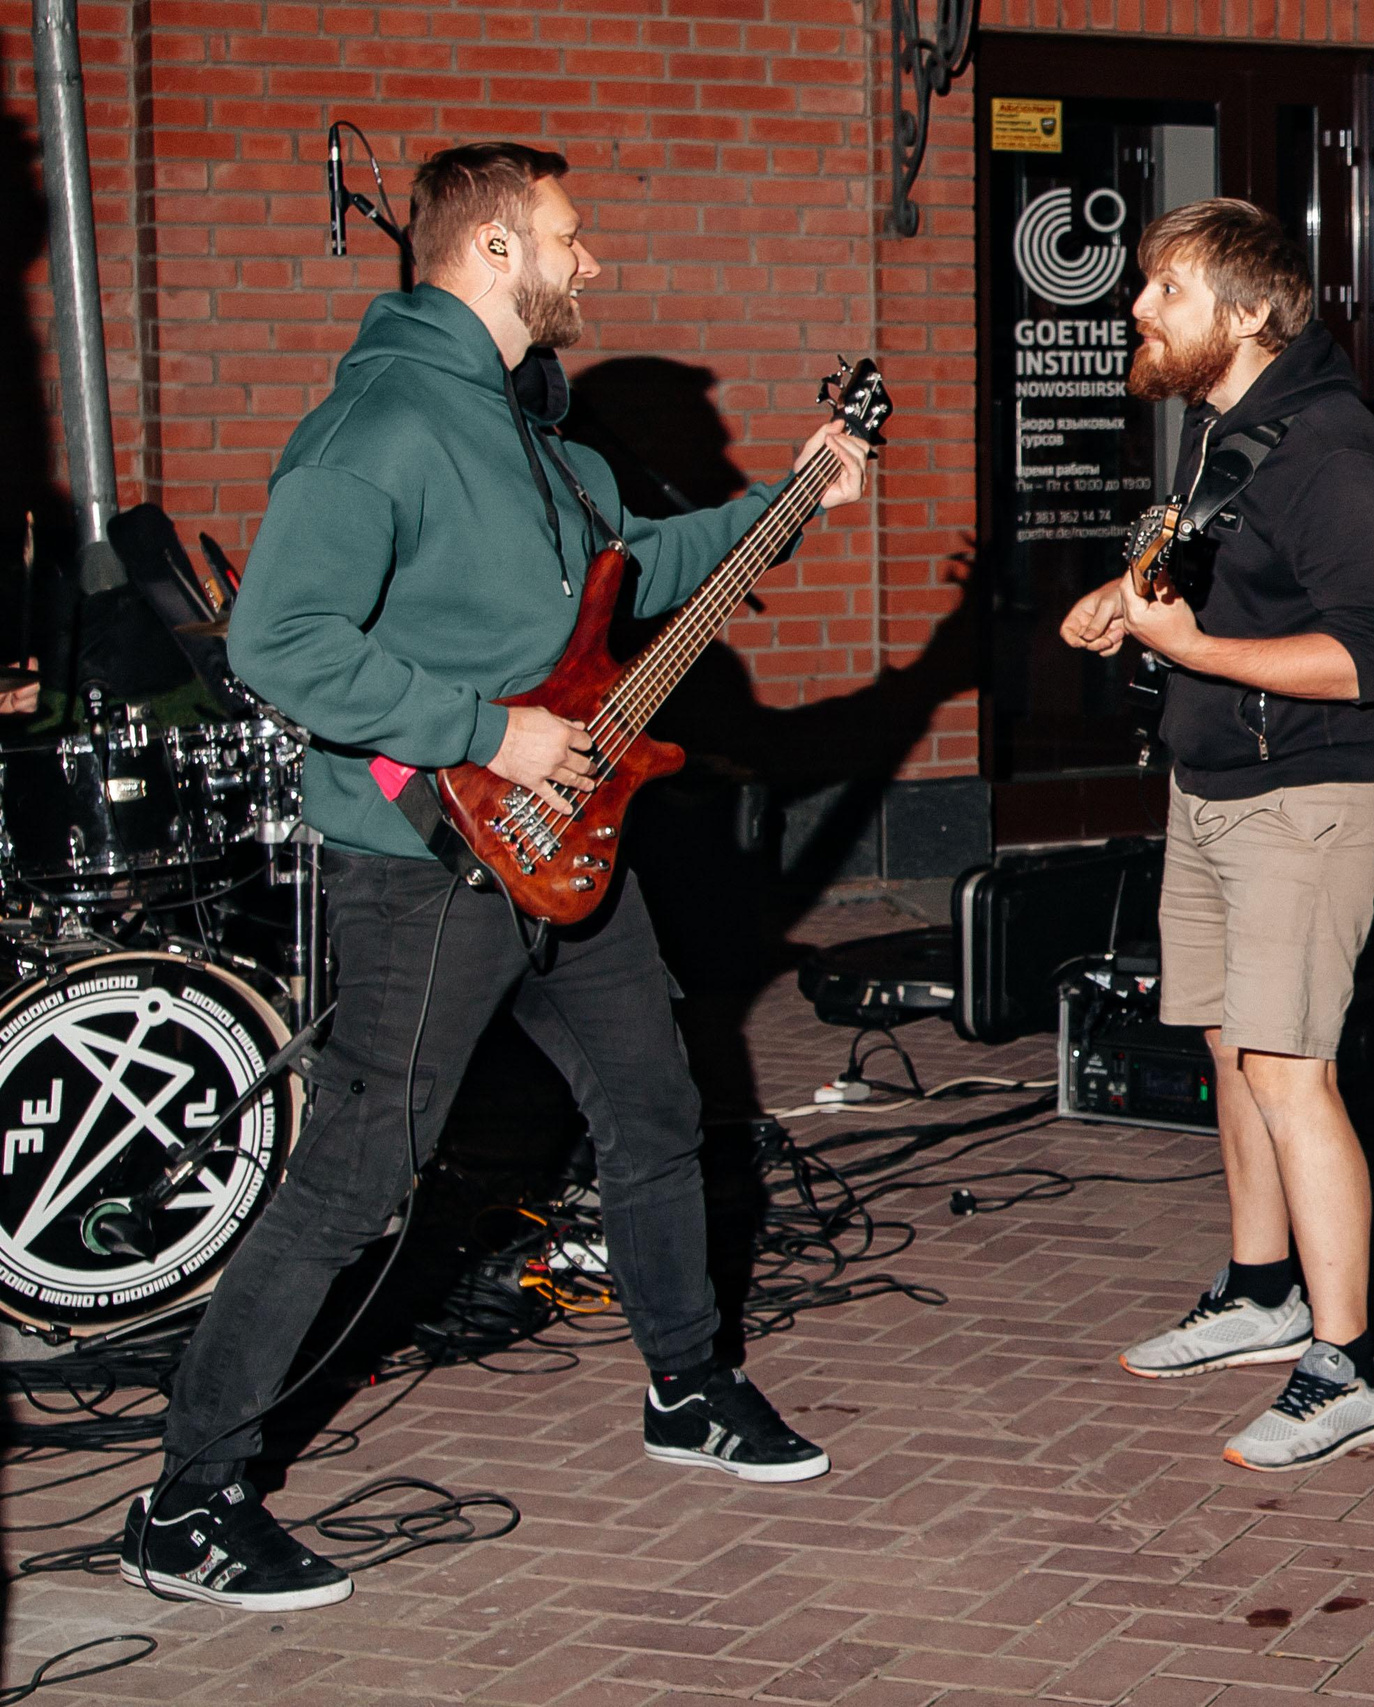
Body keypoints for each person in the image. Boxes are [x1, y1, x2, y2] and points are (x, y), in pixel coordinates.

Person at [121, 143, 871, 1612]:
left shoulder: (549, 443)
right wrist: (486, 732)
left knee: (656, 1105)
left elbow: (634, 576)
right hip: (426, 863)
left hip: (566, 854)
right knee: (355, 1174)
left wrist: (788, 498)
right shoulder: (384, 422)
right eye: (570, 238)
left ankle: (687, 1385)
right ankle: (188, 1496)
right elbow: (280, 642)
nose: (592, 263)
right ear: (493, 252)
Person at [1058, 198, 1374, 1472]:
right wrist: (1123, 596)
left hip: (1303, 802)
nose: (1138, 309)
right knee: (1230, 1050)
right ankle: (1261, 1292)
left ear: (1245, 314)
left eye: (1164, 290)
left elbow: (1368, 657)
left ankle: (1348, 1361)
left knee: (1291, 1068)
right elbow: (1212, 562)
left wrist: (1194, 649)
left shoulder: (1335, 450)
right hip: (1210, 788)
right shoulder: (1227, 430)